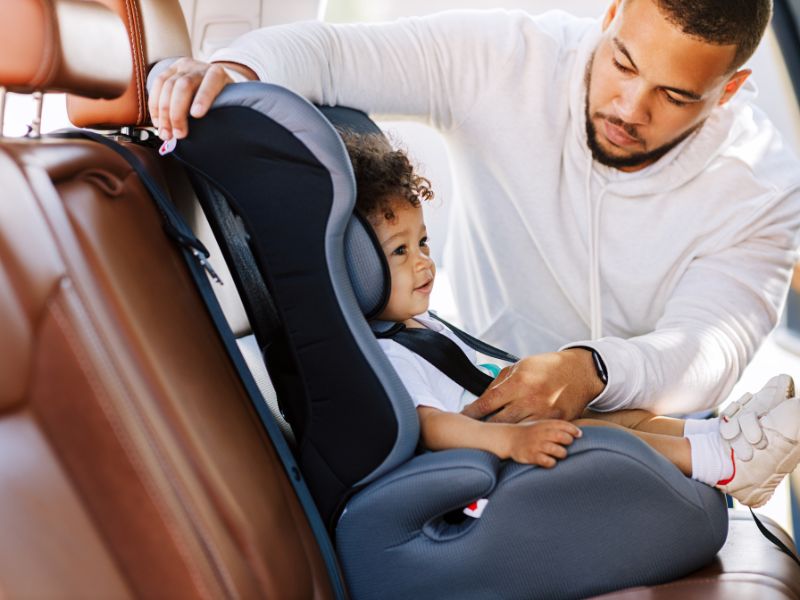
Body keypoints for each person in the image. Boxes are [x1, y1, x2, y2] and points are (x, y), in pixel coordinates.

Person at [148, 0, 800, 424]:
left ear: (730, 90)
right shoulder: (509, 59)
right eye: (623, 63)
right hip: (483, 392)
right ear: (611, 16)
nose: (631, 107)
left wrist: (591, 368)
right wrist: (233, 70)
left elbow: (706, 351)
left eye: (675, 95)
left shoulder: (763, 192)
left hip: (630, 414)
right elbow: (333, 55)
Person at [344, 130, 800, 508]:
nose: (423, 263)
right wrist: (509, 443)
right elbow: (431, 426)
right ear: (355, 265)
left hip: (512, 433)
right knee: (596, 433)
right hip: (493, 464)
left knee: (627, 415)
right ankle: (724, 462)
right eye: (399, 252)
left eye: (422, 243)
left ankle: (720, 437)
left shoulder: (422, 325)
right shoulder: (387, 352)